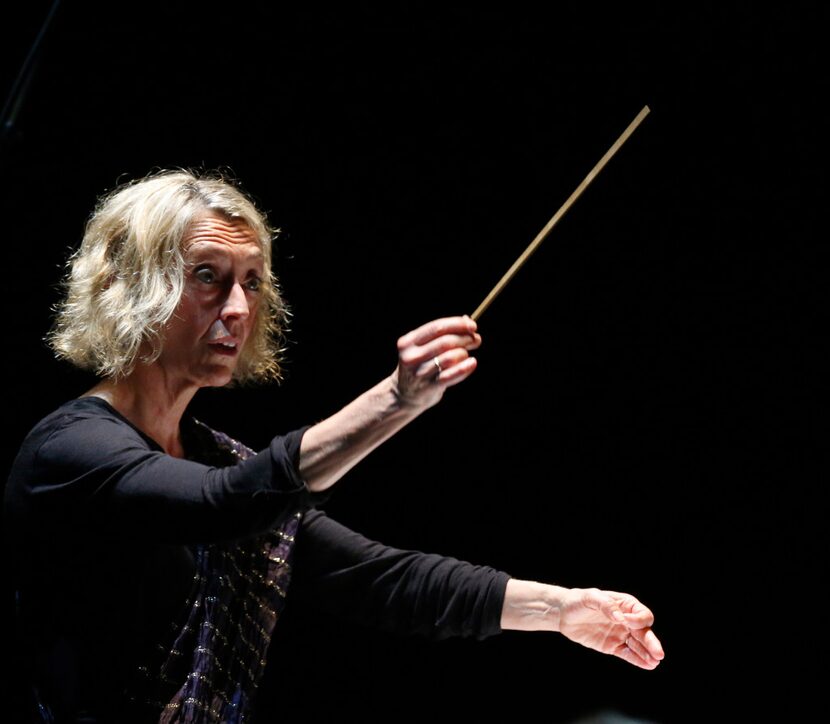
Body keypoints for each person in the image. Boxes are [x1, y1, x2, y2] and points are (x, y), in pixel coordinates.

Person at [3, 169, 664, 723]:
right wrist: (395, 401)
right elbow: (224, 506)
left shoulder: (213, 456)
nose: (238, 307)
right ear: (126, 287)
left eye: (253, 281)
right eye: (207, 276)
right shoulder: (71, 453)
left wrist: (564, 609)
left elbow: (375, 579)